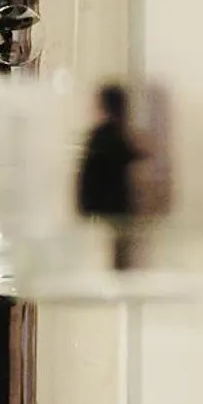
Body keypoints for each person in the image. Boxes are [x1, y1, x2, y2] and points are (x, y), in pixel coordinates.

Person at [76, 84, 145, 270]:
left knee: (117, 248)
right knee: (116, 247)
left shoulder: (105, 134)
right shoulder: (110, 135)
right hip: (112, 204)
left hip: (111, 204)